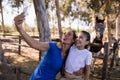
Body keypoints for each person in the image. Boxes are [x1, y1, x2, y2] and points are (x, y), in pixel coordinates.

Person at [14, 13, 77, 80]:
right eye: (64, 33)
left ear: (73, 40)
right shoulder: (52, 46)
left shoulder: (70, 55)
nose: (65, 35)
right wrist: (20, 29)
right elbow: (34, 44)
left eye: (69, 34)